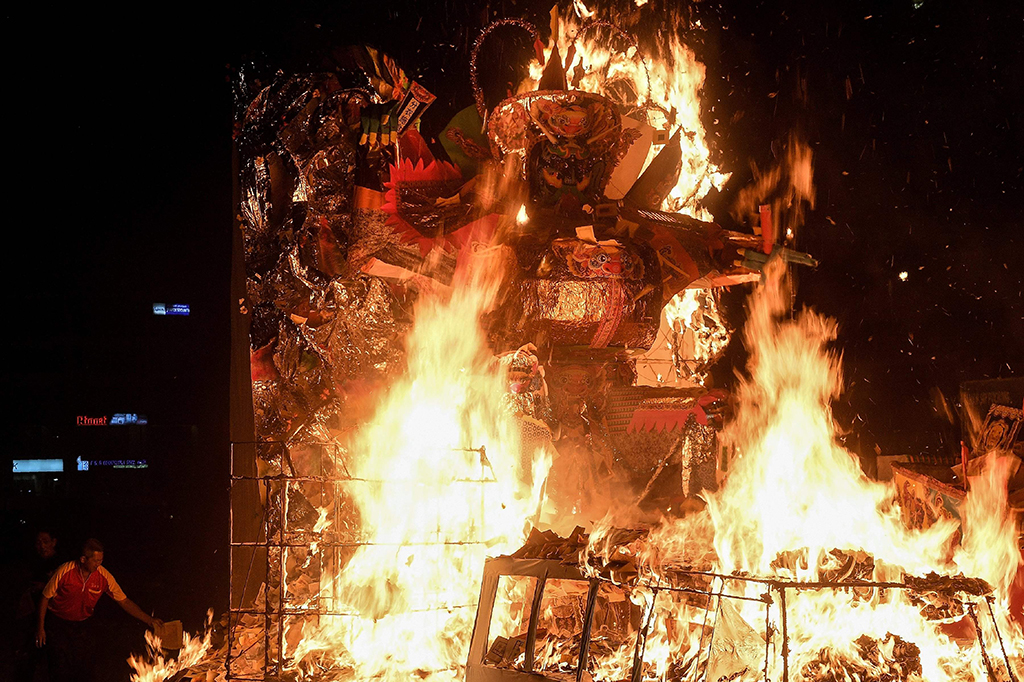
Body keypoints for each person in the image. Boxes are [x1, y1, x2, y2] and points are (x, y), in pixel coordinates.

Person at [36, 538, 162, 681]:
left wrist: (149, 620)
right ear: (83, 559)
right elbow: (45, 597)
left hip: (83, 624)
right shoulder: (65, 571)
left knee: (85, 667)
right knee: (59, 667)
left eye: (101, 560)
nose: (99, 564)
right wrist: (40, 628)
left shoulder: (103, 576)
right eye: (95, 561)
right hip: (58, 622)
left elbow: (124, 601)